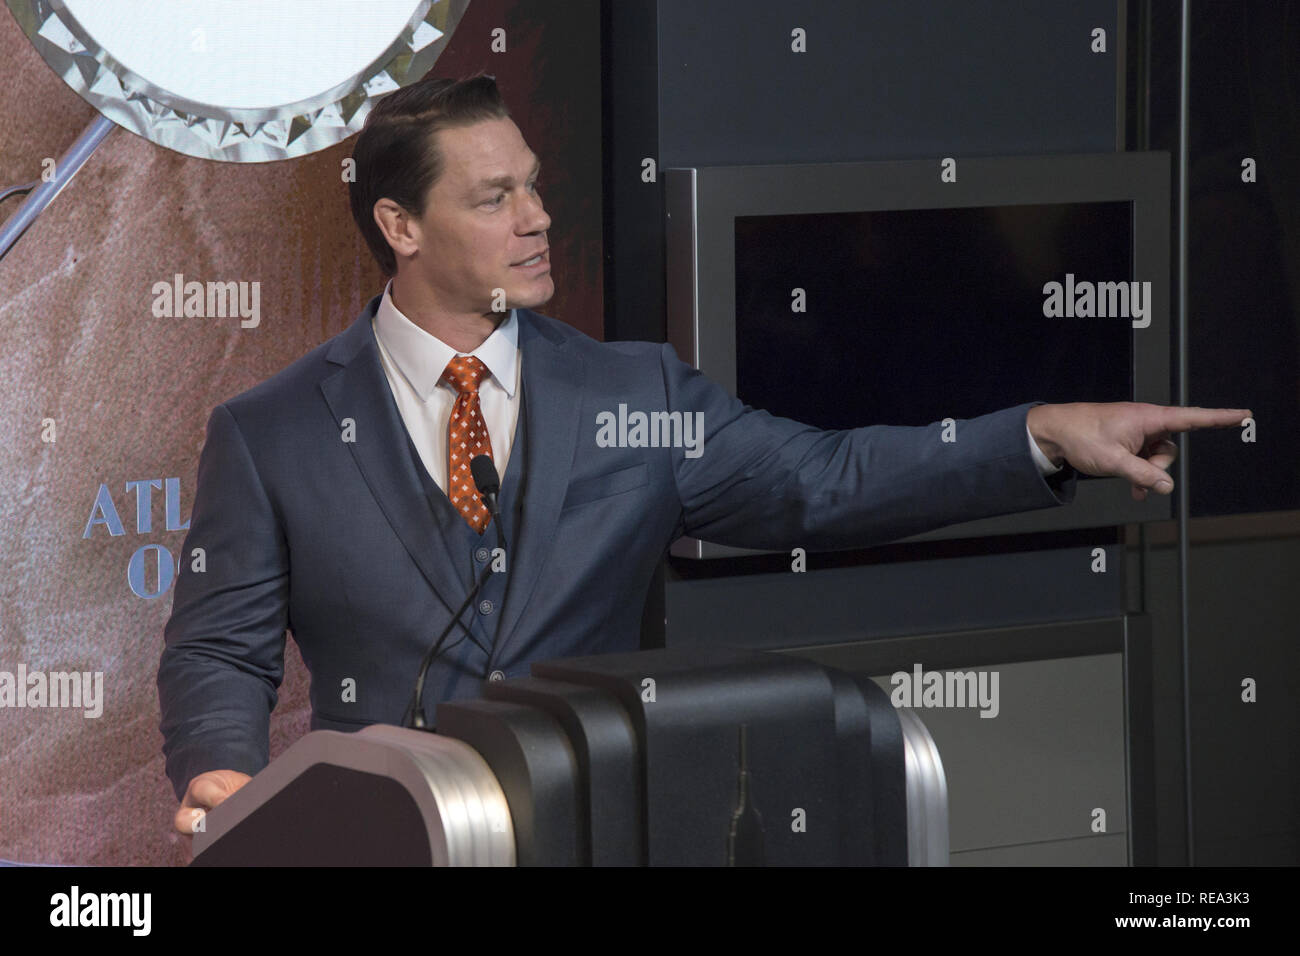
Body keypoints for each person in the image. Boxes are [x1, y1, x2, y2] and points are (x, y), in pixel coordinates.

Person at [158, 73, 1250, 837]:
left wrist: (1036, 434)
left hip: (598, 824)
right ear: (400, 226)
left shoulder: (633, 393)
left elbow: (824, 479)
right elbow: (221, 650)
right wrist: (228, 773)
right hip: (388, 832)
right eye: (495, 198)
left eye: (533, 183)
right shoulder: (272, 431)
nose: (539, 218)